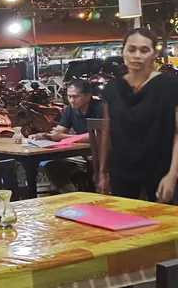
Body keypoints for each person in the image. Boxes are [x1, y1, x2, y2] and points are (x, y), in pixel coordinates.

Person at [98, 28, 178, 202]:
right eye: (131, 49)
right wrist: (103, 173)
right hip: (122, 169)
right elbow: (107, 131)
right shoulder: (112, 88)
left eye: (144, 50)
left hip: (160, 169)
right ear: (123, 52)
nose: (137, 55)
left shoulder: (170, 85)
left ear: (154, 54)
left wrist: (173, 175)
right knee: (123, 225)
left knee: (164, 226)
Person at [29, 79, 103, 193]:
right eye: (69, 97)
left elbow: (96, 136)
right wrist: (46, 135)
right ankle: (76, 199)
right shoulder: (70, 110)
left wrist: (62, 137)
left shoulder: (100, 108)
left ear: (88, 96)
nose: (72, 100)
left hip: (101, 155)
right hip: (82, 154)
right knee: (51, 167)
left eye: (75, 97)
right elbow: (59, 131)